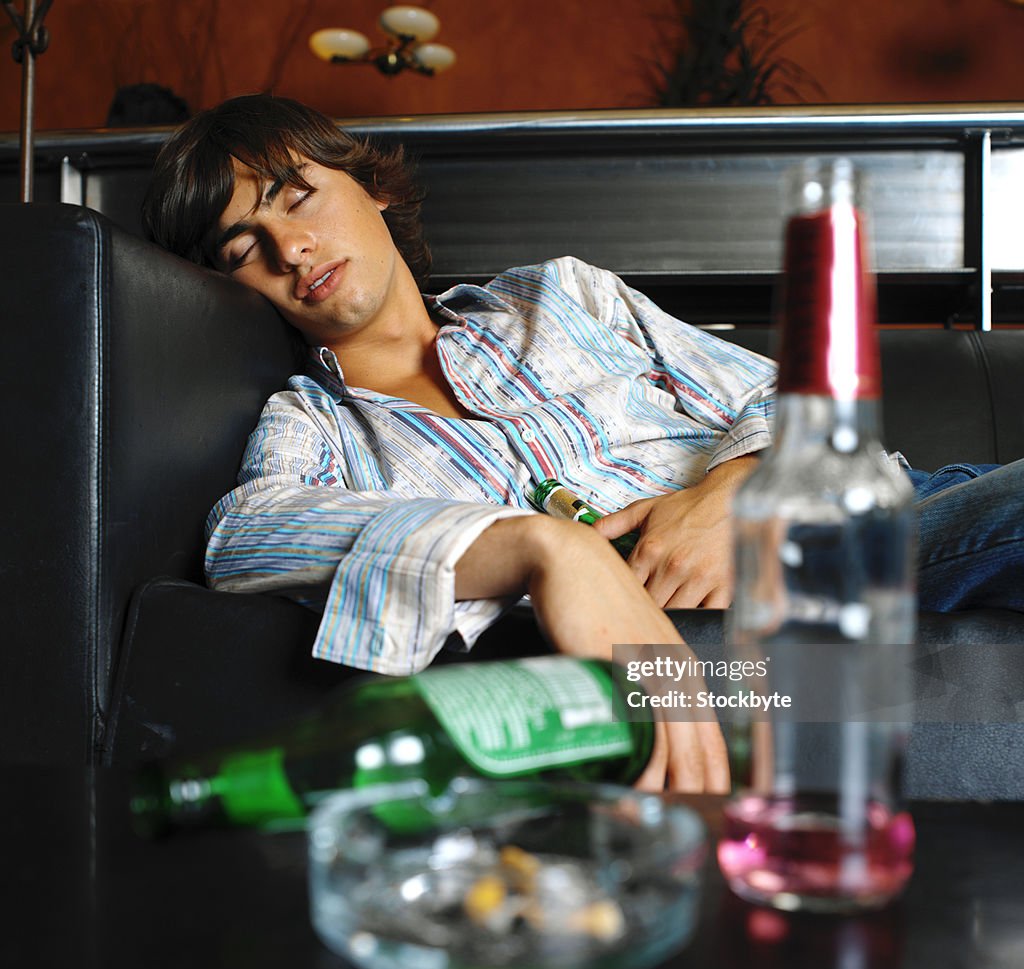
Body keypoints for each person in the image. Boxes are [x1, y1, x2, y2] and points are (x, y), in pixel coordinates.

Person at [142, 94, 1024, 793]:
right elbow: (245, 536)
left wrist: (731, 491)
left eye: (296, 196)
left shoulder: (565, 295)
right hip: (701, 639)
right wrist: (544, 547)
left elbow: (781, 392)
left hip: (887, 523)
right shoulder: (312, 424)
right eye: (244, 247)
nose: (292, 246)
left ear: (367, 185)